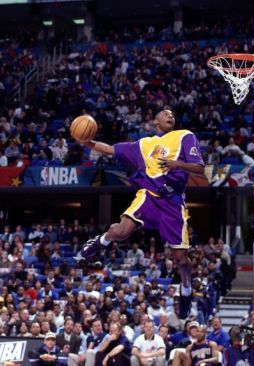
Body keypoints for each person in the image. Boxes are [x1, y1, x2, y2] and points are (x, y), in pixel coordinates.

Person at [79, 110, 205, 319]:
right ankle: (100, 242)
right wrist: (87, 142)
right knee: (121, 231)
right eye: (165, 113)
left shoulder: (184, 136)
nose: (170, 115)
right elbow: (110, 150)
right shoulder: (143, 145)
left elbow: (200, 168)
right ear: (155, 121)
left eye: (173, 114)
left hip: (173, 203)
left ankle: (186, 289)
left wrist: (178, 164)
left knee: (181, 260)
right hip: (149, 196)